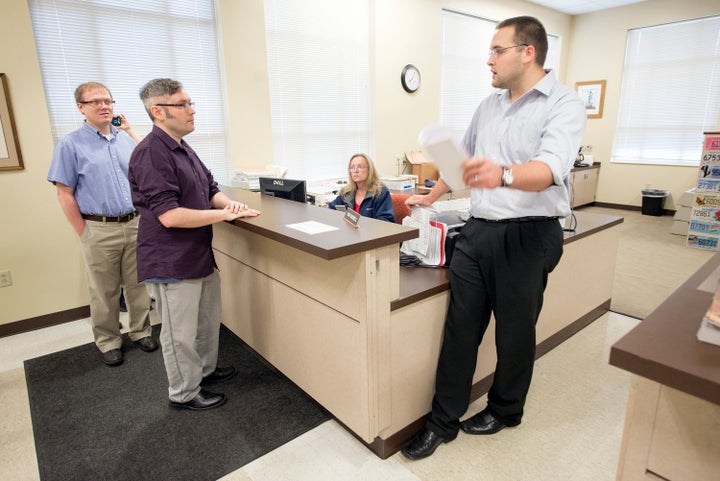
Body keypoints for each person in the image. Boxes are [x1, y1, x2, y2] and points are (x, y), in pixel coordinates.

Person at [401, 16, 586, 459]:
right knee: (460, 331)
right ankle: (442, 422)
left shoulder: (564, 104)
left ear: (528, 52)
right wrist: (432, 196)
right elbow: (461, 163)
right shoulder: (489, 105)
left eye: (496, 50)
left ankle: (505, 409)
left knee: (514, 334)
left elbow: (549, 170)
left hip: (529, 236)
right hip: (478, 232)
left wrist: (501, 174)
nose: (489, 60)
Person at [128, 78, 261, 411]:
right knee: (179, 333)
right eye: (183, 104)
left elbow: (210, 186)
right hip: (170, 260)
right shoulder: (150, 154)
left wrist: (230, 206)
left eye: (190, 103)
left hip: (198, 254)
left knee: (205, 321)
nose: (191, 110)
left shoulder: (182, 146)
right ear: (158, 111)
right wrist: (223, 217)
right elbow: (170, 216)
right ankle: (184, 392)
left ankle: (203, 371)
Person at [47, 81, 157, 367]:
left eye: (108, 100)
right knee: (104, 291)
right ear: (81, 107)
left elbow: (147, 169)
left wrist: (131, 131)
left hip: (134, 222)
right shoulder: (69, 145)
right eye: (95, 101)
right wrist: (84, 231)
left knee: (138, 285)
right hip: (98, 227)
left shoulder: (123, 139)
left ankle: (141, 330)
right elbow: (64, 193)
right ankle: (109, 341)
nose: (104, 106)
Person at [327, 153, 396, 222]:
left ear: (369, 170)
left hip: (372, 232)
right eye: (352, 168)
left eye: (360, 167)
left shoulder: (380, 192)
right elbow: (331, 208)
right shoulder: (346, 191)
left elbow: (386, 221)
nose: (355, 171)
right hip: (349, 231)